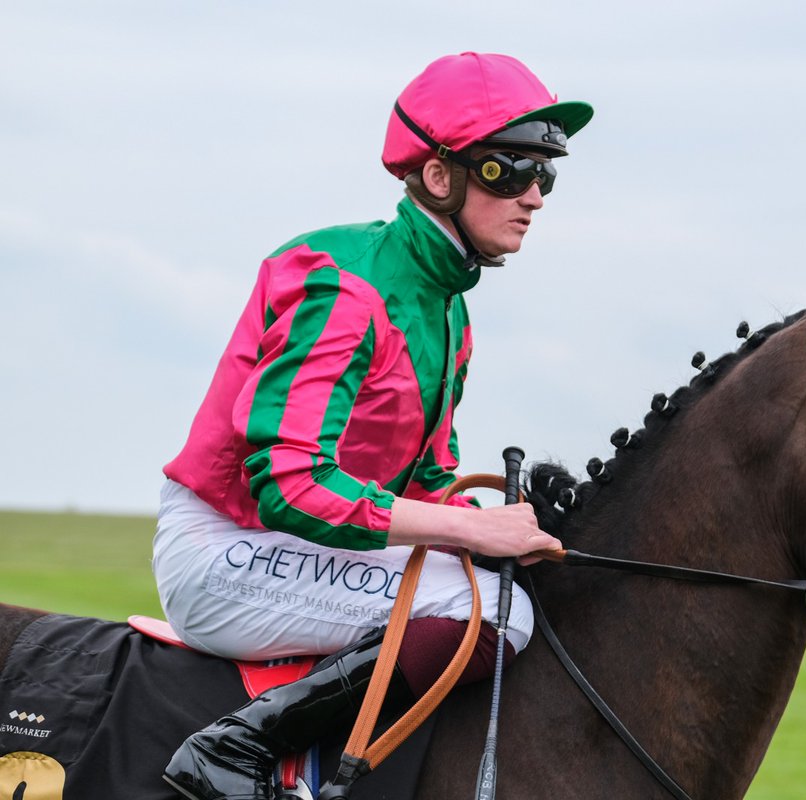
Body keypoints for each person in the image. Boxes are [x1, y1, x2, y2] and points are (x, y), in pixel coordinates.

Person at [154, 52, 591, 800]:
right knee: (504, 618)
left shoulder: (450, 309)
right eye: (509, 170)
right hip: (229, 547)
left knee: (507, 585)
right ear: (438, 175)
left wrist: (500, 530)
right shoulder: (345, 285)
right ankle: (232, 749)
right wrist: (473, 536)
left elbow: (424, 481)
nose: (534, 196)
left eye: (545, 173)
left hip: (302, 547)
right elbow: (289, 484)